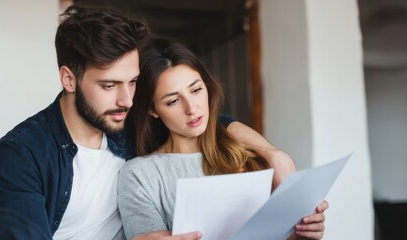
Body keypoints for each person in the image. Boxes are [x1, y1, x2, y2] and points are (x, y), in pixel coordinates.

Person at [0, 4, 324, 240]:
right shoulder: (20, 156)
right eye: (109, 86)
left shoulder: (125, 127)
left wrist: (274, 154)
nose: (126, 99)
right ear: (69, 79)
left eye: (134, 82)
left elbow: (212, 123)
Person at [118, 38, 327, 240]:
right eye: (173, 101)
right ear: (152, 109)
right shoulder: (140, 175)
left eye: (196, 90)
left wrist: (302, 232)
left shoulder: (244, 154)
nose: (192, 109)